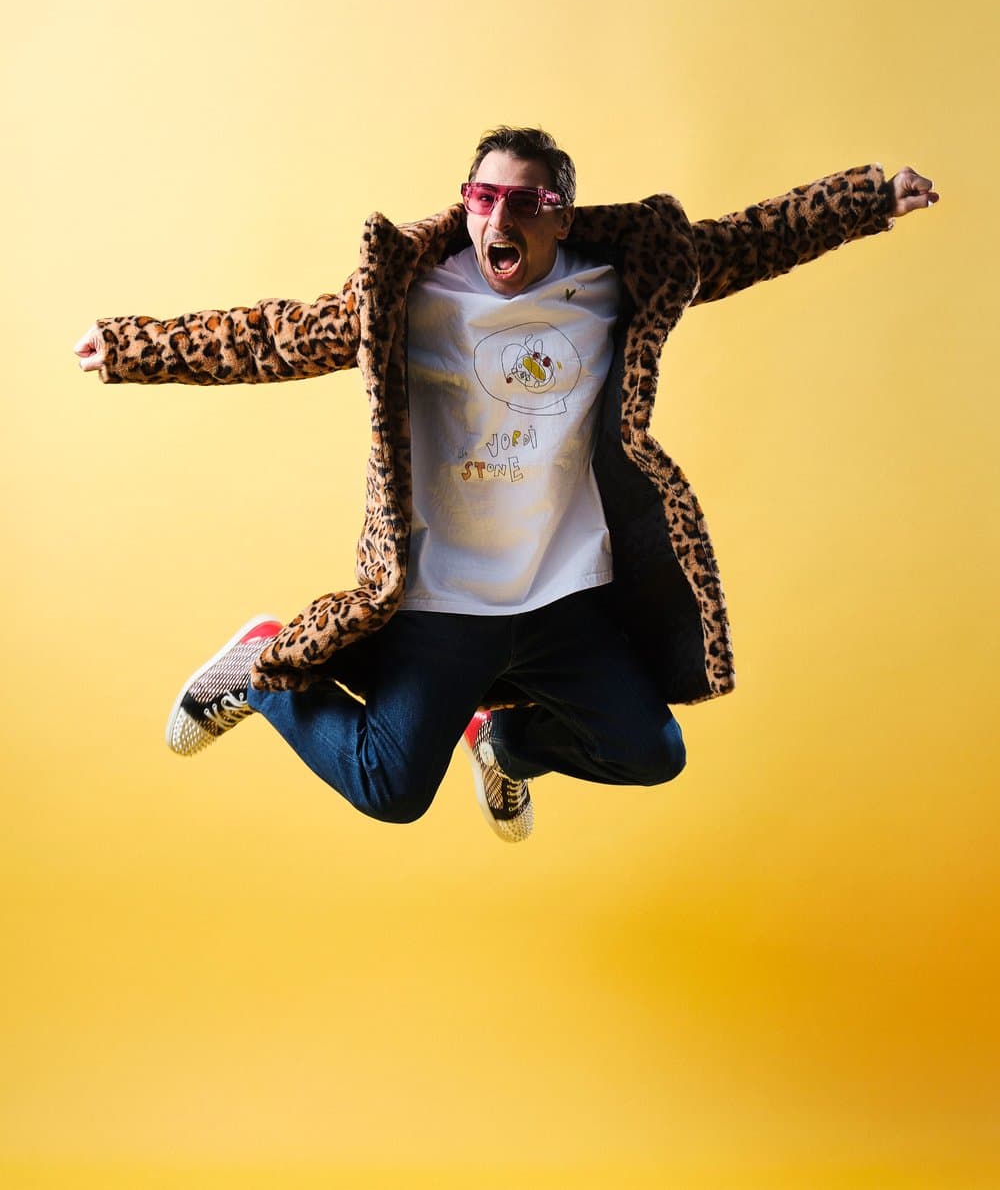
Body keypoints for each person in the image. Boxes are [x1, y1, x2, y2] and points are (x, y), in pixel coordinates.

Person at [74, 127, 939, 843]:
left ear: (560, 216)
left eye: (524, 202)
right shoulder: (409, 292)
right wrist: (128, 347)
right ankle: (259, 669)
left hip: (563, 596)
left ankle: (506, 745)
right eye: (483, 197)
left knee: (653, 753)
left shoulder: (618, 278)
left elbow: (743, 243)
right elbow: (274, 337)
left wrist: (868, 200)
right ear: (466, 203)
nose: (498, 216)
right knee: (391, 792)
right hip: (444, 600)